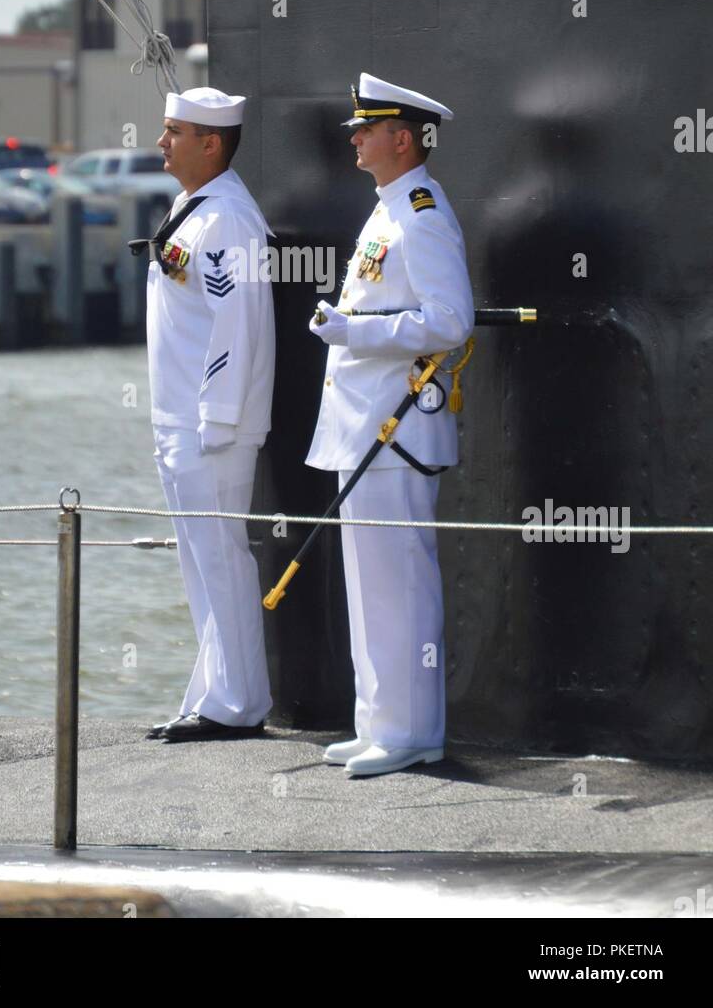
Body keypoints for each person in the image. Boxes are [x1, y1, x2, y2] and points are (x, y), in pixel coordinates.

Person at [306, 71, 474, 777]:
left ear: (401, 138)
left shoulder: (421, 214)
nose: (355, 137)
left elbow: (451, 322)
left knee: (399, 582)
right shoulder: (386, 210)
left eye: (366, 128)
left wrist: (354, 331)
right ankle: (377, 721)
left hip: (397, 433)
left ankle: (410, 733)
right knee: (370, 583)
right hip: (365, 427)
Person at [140, 86, 275, 742]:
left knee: (221, 559)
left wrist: (217, 418)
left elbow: (237, 322)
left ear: (211, 143)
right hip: (177, 419)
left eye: (173, 132)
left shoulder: (228, 221)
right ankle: (213, 694)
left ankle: (240, 705)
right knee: (199, 565)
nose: (161, 143)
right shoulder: (193, 208)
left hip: (208, 425)